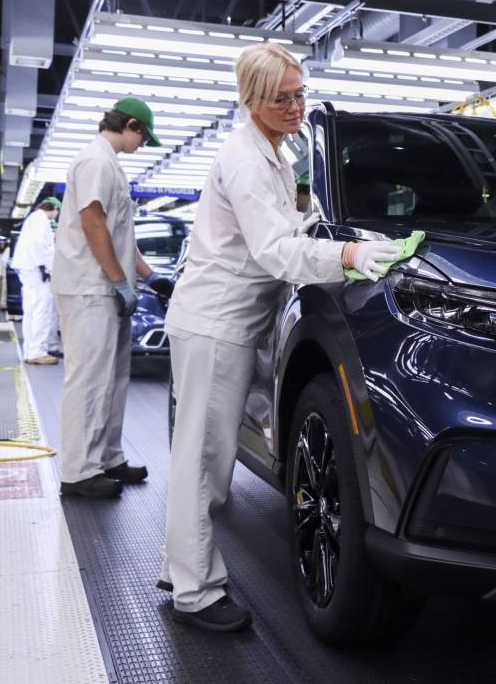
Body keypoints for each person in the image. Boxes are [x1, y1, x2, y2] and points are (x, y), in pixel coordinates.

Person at [160, 43, 406, 632]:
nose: (297, 106)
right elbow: (274, 252)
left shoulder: (269, 149)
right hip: (216, 324)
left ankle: (180, 568)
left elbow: (278, 226)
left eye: (300, 93)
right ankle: (194, 594)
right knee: (205, 462)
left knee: (203, 456)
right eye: (282, 98)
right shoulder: (245, 160)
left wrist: (316, 225)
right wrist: (346, 253)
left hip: (231, 323)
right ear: (252, 99)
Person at [51, 98, 176, 499]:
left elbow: (120, 235)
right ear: (132, 125)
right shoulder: (96, 161)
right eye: (144, 137)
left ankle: (108, 457)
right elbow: (91, 221)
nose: (143, 145)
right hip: (90, 288)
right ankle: (78, 471)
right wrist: (119, 280)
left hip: (106, 288)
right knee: (89, 379)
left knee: (113, 377)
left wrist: (150, 277)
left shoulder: (112, 166)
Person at [12, 196, 61, 363]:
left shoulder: (33, 218)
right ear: (54, 208)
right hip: (35, 269)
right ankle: (38, 352)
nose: (57, 214)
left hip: (28, 268)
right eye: (57, 211)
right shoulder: (41, 220)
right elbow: (41, 245)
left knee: (32, 311)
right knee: (43, 309)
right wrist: (44, 267)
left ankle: (30, 351)